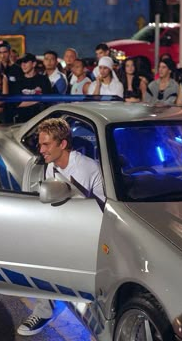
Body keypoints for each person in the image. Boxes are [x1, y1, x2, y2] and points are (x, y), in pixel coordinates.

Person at [17, 118, 105, 336]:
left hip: (93, 233)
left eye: (46, 144)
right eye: (40, 144)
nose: (41, 150)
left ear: (63, 144)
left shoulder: (87, 168)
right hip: (67, 227)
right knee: (33, 247)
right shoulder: (50, 166)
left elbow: (102, 211)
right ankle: (45, 311)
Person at [16, 53, 52, 122]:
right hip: (23, 120)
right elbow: (18, 104)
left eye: (25, 62)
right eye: (21, 63)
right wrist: (38, 99)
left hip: (41, 119)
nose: (23, 65)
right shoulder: (18, 81)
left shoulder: (43, 80)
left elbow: (47, 100)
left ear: (34, 64)